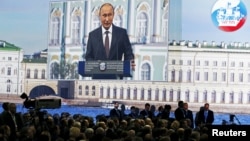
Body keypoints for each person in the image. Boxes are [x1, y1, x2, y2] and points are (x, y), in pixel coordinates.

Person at [85, 3, 135, 79]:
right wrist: (95, 65)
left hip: (116, 80)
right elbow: (88, 57)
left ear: (113, 15)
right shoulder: (93, 35)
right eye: (104, 15)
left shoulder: (122, 33)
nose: (107, 19)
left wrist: (128, 65)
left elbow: (129, 54)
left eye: (109, 15)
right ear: (100, 16)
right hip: (97, 80)